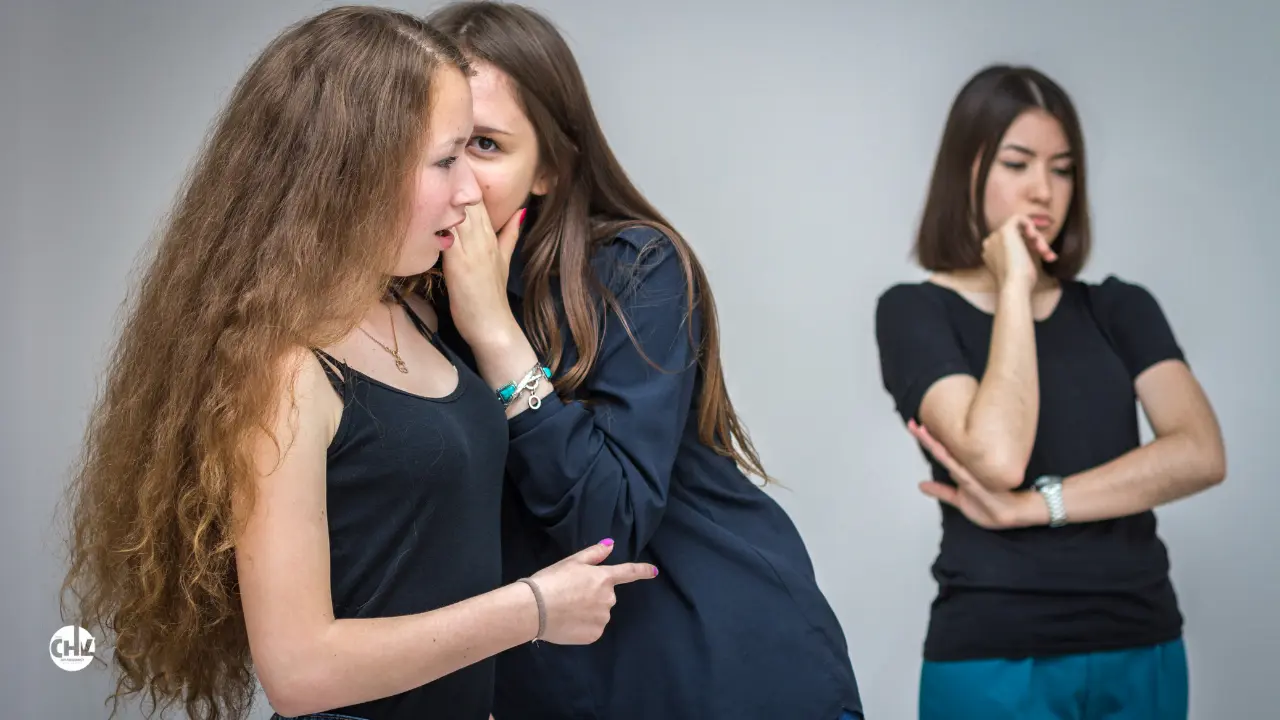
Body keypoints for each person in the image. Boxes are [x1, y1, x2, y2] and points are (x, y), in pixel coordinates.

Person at [58, 7, 657, 720]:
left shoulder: (417, 313)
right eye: (445, 160)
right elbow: (300, 670)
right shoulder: (282, 371)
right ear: (351, 169)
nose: (468, 190)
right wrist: (531, 609)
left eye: (475, 151)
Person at [421, 3, 864, 719]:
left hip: (731, 673)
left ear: (550, 172)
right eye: (437, 145)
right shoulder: (397, 310)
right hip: (561, 690)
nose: (458, 182)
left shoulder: (633, 269)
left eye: (486, 145)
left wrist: (495, 335)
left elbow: (609, 524)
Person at [874, 64, 1227, 720]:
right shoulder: (914, 313)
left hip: (1140, 641)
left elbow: (1201, 452)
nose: (1044, 190)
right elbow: (998, 458)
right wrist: (1014, 284)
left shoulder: (1120, 308)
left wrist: (1034, 509)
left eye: (1062, 169)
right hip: (994, 654)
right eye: (1018, 163)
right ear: (967, 169)